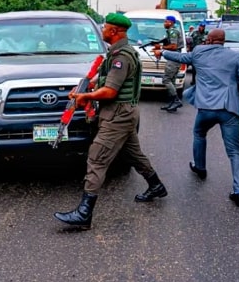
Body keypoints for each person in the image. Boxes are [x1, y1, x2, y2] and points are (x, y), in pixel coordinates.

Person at [54, 13, 168, 230]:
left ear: (114, 31)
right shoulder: (117, 53)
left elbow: (110, 91)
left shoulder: (121, 57)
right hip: (124, 114)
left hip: (117, 115)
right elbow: (104, 78)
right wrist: (84, 87)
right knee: (133, 154)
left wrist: (85, 97)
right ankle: (156, 186)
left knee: (97, 158)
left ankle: (84, 214)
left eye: (105, 27)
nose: (103, 30)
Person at [155, 28, 239, 208]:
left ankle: (200, 167)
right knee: (234, 151)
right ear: (223, 41)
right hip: (228, 108)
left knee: (199, 133)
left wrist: (162, 52)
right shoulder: (235, 56)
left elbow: (180, 57)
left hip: (206, 108)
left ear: (209, 40)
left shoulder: (199, 52)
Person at [158, 15, 185, 112]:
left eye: (165, 21)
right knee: (172, 81)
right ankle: (172, 103)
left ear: (170, 22)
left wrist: (161, 48)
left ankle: (176, 100)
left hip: (173, 59)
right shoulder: (171, 31)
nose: (164, 23)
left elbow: (173, 46)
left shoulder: (173, 31)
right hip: (175, 58)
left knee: (166, 79)